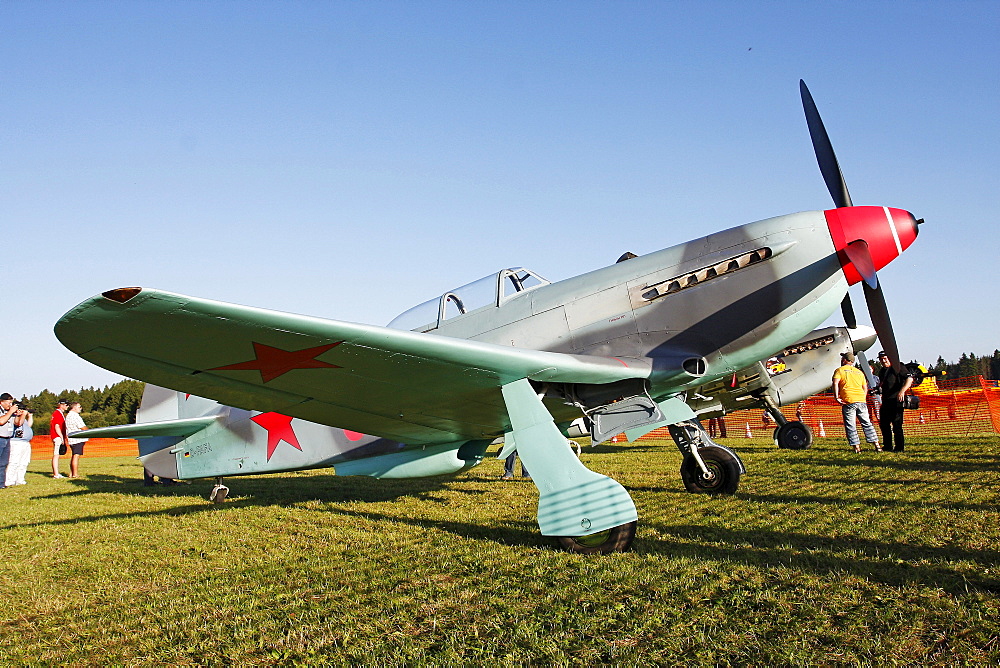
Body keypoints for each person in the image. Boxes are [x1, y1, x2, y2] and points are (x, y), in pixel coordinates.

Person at [832, 352, 880, 454]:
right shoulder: (859, 372)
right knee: (867, 423)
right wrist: (863, 397)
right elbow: (865, 387)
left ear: (845, 360)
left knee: (851, 425)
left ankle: (857, 448)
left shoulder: (839, 371)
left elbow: (835, 383)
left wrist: (836, 397)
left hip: (848, 401)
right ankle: (877, 445)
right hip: (861, 401)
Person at [877, 351, 914, 452]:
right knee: (884, 424)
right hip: (885, 401)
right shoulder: (882, 371)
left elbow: (909, 379)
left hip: (896, 401)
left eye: (885, 358)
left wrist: (902, 391)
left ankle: (899, 447)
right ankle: (888, 446)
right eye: (881, 359)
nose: (883, 361)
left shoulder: (898, 366)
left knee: (897, 425)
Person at [6, 407, 33, 486]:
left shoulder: (23, 418)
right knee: (14, 461)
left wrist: (30, 416)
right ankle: (9, 480)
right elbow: (19, 423)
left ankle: (20, 479)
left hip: (25, 442)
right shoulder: (14, 417)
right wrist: (23, 414)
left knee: (24, 462)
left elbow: (28, 425)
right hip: (17, 442)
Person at [0, 393, 21, 489]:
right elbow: (1, 421)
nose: (10, 405)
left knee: (4, 463)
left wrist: (17, 415)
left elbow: (17, 423)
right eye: (8, 403)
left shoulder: (9, 412)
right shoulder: (4, 411)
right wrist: (10, 412)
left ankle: (1, 484)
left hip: (7, 438)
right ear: (2, 402)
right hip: (0, 438)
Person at [64, 402, 89, 478]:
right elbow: (82, 427)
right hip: (78, 439)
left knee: (74, 455)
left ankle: (71, 473)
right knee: (76, 455)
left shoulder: (68, 416)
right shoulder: (75, 416)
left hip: (71, 438)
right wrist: (90, 432)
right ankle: (75, 474)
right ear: (74, 408)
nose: (81, 408)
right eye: (79, 407)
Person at [50, 398, 70, 478]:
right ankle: (56, 474)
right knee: (56, 455)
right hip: (57, 436)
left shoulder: (58, 413)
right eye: (66, 405)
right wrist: (61, 437)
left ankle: (56, 473)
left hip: (57, 436)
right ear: (62, 405)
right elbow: (57, 426)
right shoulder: (58, 413)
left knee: (57, 454)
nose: (67, 407)